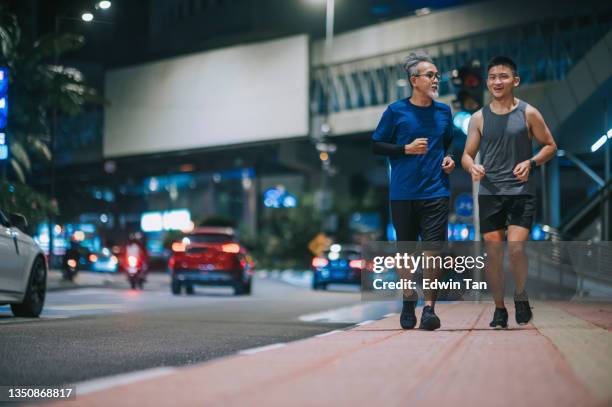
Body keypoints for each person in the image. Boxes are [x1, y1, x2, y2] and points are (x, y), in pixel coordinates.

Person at [461, 56, 557, 328]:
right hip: (490, 192)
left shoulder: (529, 113)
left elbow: (550, 145)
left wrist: (532, 162)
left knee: (515, 250)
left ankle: (520, 294)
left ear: (515, 80)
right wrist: (473, 167)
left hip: (521, 192)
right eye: (492, 77)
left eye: (503, 76)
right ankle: (499, 309)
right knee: (493, 253)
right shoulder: (478, 118)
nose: (497, 81)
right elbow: (466, 155)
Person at [372, 51, 456, 330]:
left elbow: (450, 142)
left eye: (437, 75)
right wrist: (404, 149)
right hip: (403, 193)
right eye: (430, 75)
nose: (435, 80)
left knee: (433, 250)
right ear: (414, 80)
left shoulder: (444, 112)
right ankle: (409, 299)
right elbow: (377, 145)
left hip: (436, 192)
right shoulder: (396, 112)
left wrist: (449, 157)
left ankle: (429, 309)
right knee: (406, 252)